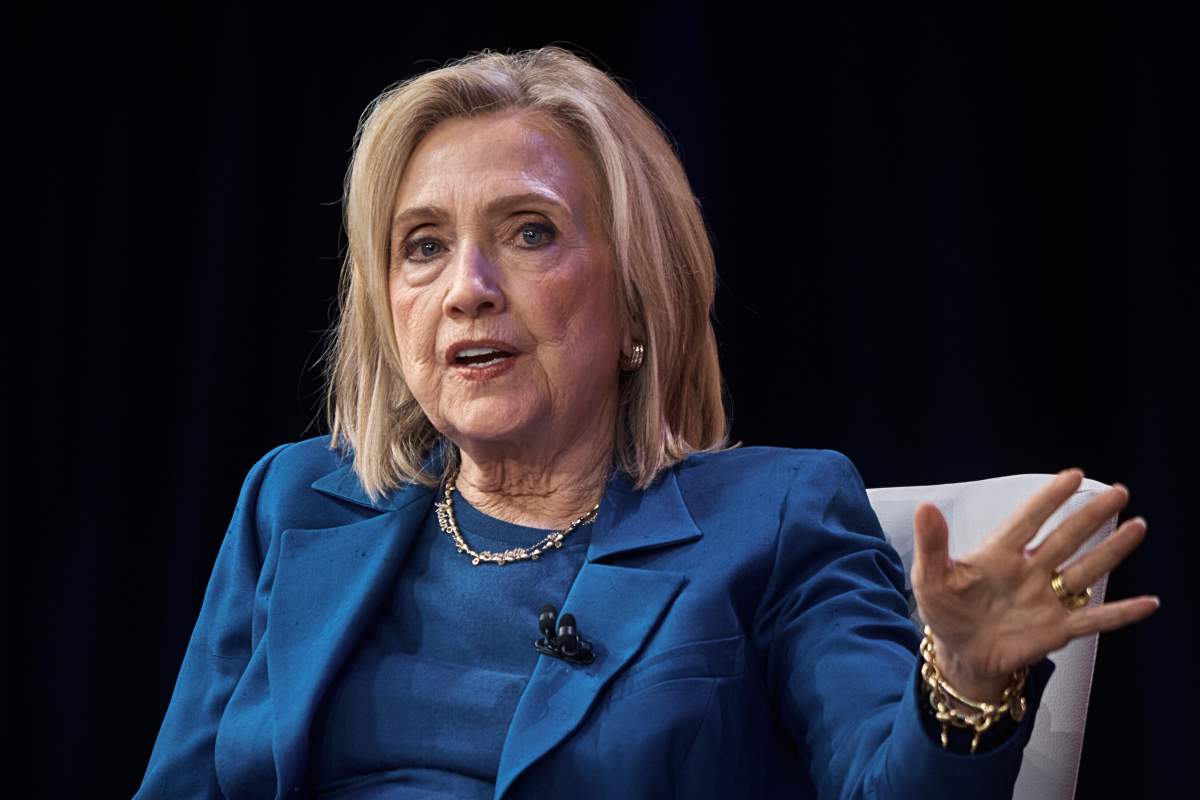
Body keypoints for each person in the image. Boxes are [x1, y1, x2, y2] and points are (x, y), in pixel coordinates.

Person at [134, 46, 1158, 799]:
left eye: (528, 232)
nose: (468, 289)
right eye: (422, 246)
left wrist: (966, 683)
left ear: (636, 301)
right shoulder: (296, 500)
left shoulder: (777, 514)